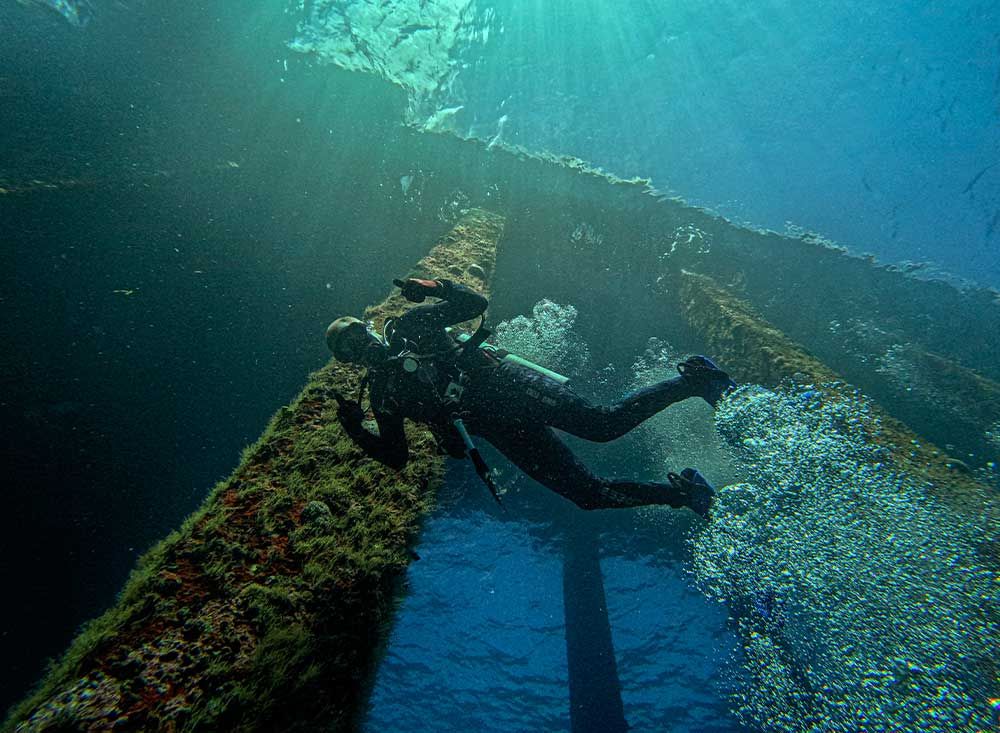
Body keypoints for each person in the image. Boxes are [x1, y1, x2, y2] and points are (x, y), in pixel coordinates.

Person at [325, 277, 736, 517]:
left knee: (602, 425)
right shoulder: (382, 394)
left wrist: (433, 286)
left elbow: (475, 303)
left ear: (369, 328)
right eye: (349, 351)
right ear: (348, 362)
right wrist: (356, 430)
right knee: (587, 496)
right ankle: (684, 493)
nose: (361, 349)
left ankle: (695, 380)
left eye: (358, 337)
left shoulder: (414, 326)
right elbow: (397, 457)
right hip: (498, 430)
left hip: (510, 388)